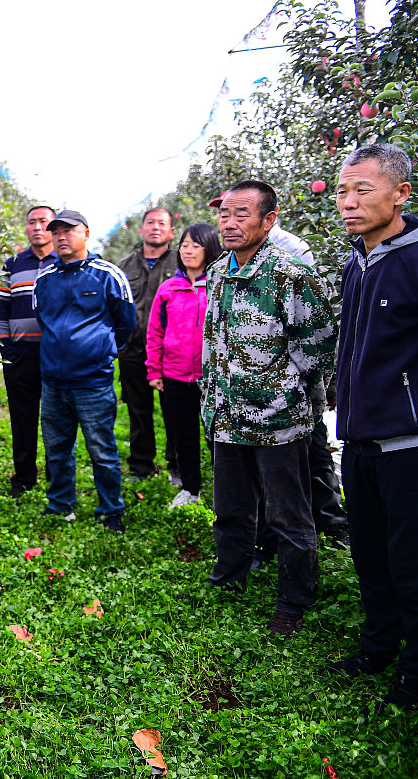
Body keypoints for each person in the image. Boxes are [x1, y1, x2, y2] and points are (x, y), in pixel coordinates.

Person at [202, 181, 337, 637]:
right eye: (225, 214)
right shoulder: (219, 271)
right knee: (231, 508)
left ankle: (294, 600)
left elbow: (316, 346)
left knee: (288, 514)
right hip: (226, 415)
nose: (230, 222)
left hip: (277, 419)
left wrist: (279, 388)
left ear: (269, 220)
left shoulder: (288, 273)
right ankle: (230, 578)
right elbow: (214, 343)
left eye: (242, 214)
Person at [327, 143, 418, 712]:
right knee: (370, 554)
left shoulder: (414, 260)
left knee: (410, 563)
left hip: (407, 444)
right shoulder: (357, 262)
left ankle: (415, 674)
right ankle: (379, 645)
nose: (349, 202)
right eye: (342, 191)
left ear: (401, 193)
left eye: (363, 190)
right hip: (358, 439)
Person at [33, 209, 135, 530]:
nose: (61, 237)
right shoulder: (45, 279)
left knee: (101, 448)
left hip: (93, 381)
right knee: (56, 448)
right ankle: (61, 504)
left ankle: (111, 510)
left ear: (86, 234)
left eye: (69, 230)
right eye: (57, 232)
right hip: (53, 380)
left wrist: (99, 352)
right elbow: (43, 321)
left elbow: (125, 324)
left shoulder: (108, 275)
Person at [145, 223, 222, 509]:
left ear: (210, 249)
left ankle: (226, 489)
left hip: (211, 376)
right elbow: (154, 332)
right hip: (175, 375)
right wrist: (154, 370)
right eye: (185, 245)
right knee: (183, 434)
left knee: (217, 436)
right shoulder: (169, 288)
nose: (188, 251)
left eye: (196, 246)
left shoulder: (219, 284)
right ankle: (191, 489)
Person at [0, 205, 59, 498]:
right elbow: (3, 309)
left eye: (43, 221)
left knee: (55, 417)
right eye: (31, 222)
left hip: (55, 354)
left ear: (53, 226)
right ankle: (23, 477)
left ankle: (56, 476)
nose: (37, 227)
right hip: (20, 354)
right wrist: (6, 347)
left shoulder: (64, 260)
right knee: (22, 418)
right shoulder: (13, 264)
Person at [117, 208, 180, 482]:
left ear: (171, 232)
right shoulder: (124, 266)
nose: (156, 227)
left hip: (171, 353)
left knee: (174, 410)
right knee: (138, 410)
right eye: (150, 222)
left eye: (162, 223)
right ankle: (141, 466)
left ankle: (176, 464)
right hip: (133, 350)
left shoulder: (181, 261)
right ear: (141, 229)